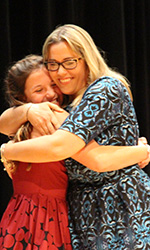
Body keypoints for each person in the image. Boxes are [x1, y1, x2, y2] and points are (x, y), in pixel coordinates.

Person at [1, 24, 150, 249]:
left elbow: (83, 155)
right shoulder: (66, 103)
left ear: (86, 58)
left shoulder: (105, 89)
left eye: (69, 62)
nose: (61, 72)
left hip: (121, 205)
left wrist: (5, 150)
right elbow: (4, 123)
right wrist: (28, 110)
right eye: (53, 64)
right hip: (82, 211)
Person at [0, 55, 73, 250]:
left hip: (20, 216)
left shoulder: (20, 123)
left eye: (53, 84)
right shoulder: (50, 120)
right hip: (47, 218)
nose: (50, 94)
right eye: (39, 90)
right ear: (23, 99)